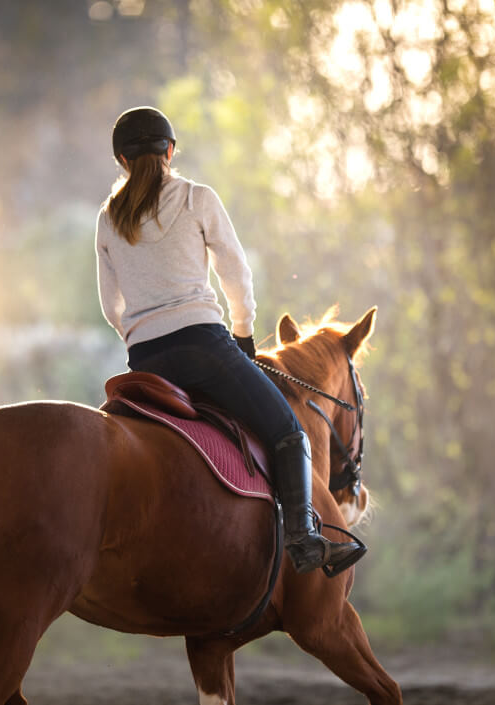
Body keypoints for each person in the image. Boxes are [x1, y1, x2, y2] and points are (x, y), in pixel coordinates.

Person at [95, 106, 364, 576]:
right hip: (203, 348)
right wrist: (243, 333)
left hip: (145, 361)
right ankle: (303, 538)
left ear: (121, 159)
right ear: (170, 151)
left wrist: (139, 336)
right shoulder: (197, 198)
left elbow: (109, 306)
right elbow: (235, 274)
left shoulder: (107, 218)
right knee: (288, 431)